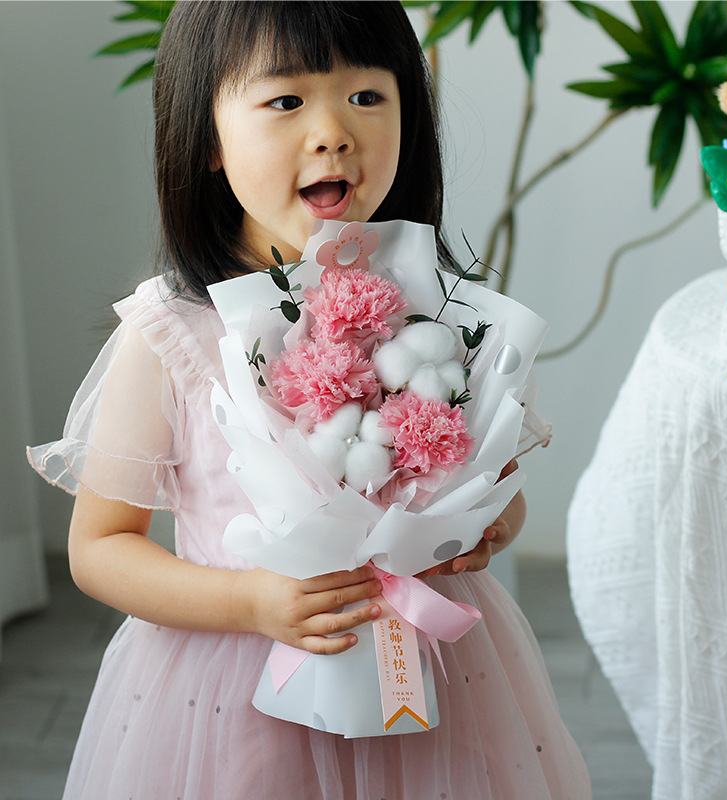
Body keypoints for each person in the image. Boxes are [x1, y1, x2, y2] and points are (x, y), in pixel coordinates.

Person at [28, 2, 591, 798]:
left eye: (368, 96)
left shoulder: (438, 314)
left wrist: (489, 527)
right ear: (207, 140)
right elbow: (99, 548)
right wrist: (251, 600)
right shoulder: (174, 333)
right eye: (286, 101)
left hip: (431, 666)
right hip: (235, 684)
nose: (333, 130)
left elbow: (502, 492)